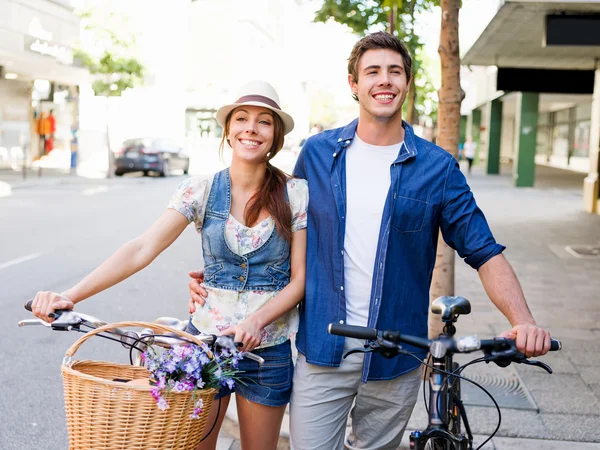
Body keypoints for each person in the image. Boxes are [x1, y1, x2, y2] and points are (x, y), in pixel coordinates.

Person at [190, 32, 552, 449]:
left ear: (407, 82)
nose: (385, 80)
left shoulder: (437, 168)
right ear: (353, 83)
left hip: (395, 359)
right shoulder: (317, 153)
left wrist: (522, 320)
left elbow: (484, 251)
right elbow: (277, 227)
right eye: (373, 71)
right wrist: (226, 280)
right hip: (323, 349)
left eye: (395, 71)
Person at [31, 80, 308, 450]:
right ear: (228, 130)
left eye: (264, 121)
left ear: (275, 136)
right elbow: (142, 248)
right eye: (241, 118)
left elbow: (299, 279)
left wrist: (258, 320)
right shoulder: (201, 190)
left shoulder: (294, 194)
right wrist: (69, 295)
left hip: (266, 352)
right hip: (203, 346)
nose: (251, 129)